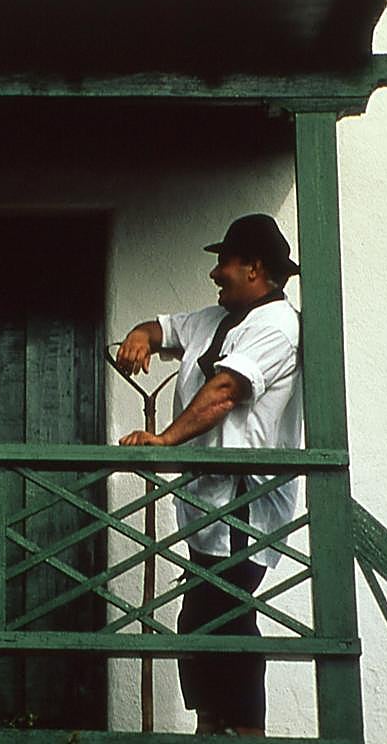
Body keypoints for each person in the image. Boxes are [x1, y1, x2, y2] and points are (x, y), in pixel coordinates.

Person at [114, 214, 302, 738]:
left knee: (226, 620)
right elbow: (163, 328)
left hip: (246, 501)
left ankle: (242, 730)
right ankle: (213, 723)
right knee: (202, 619)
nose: (215, 273)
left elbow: (224, 390)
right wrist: (138, 337)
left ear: (254, 268)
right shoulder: (213, 317)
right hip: (204, 504)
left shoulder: (277, 327)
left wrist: (165, 439)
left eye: (224, 263)